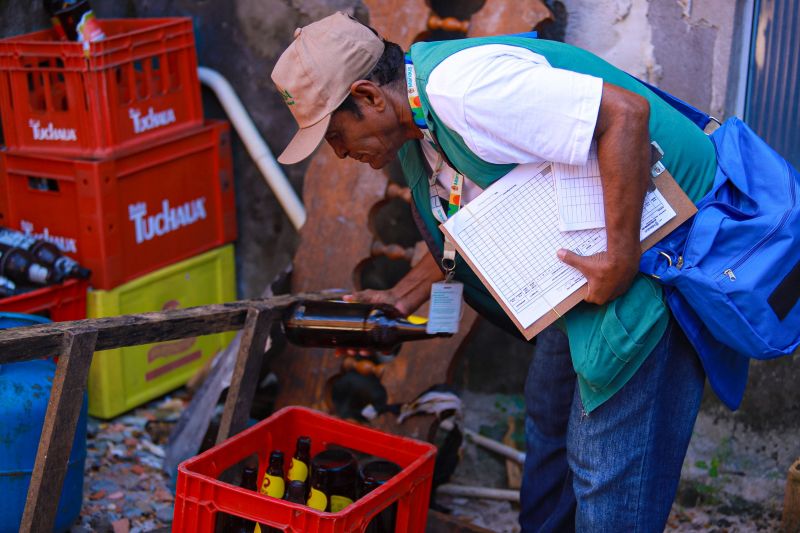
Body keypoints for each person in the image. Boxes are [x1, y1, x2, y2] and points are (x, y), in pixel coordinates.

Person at [271, 12, 714, 532]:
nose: (341, 153)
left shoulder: (467, 92)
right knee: (549, 420)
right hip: (579, 269)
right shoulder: (420, 125)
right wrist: (402, 296)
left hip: (658, 256)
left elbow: (624, 114)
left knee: (606, 463)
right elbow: (470, 220)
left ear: (369, 97)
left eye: (336, 136)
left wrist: (618, 259)